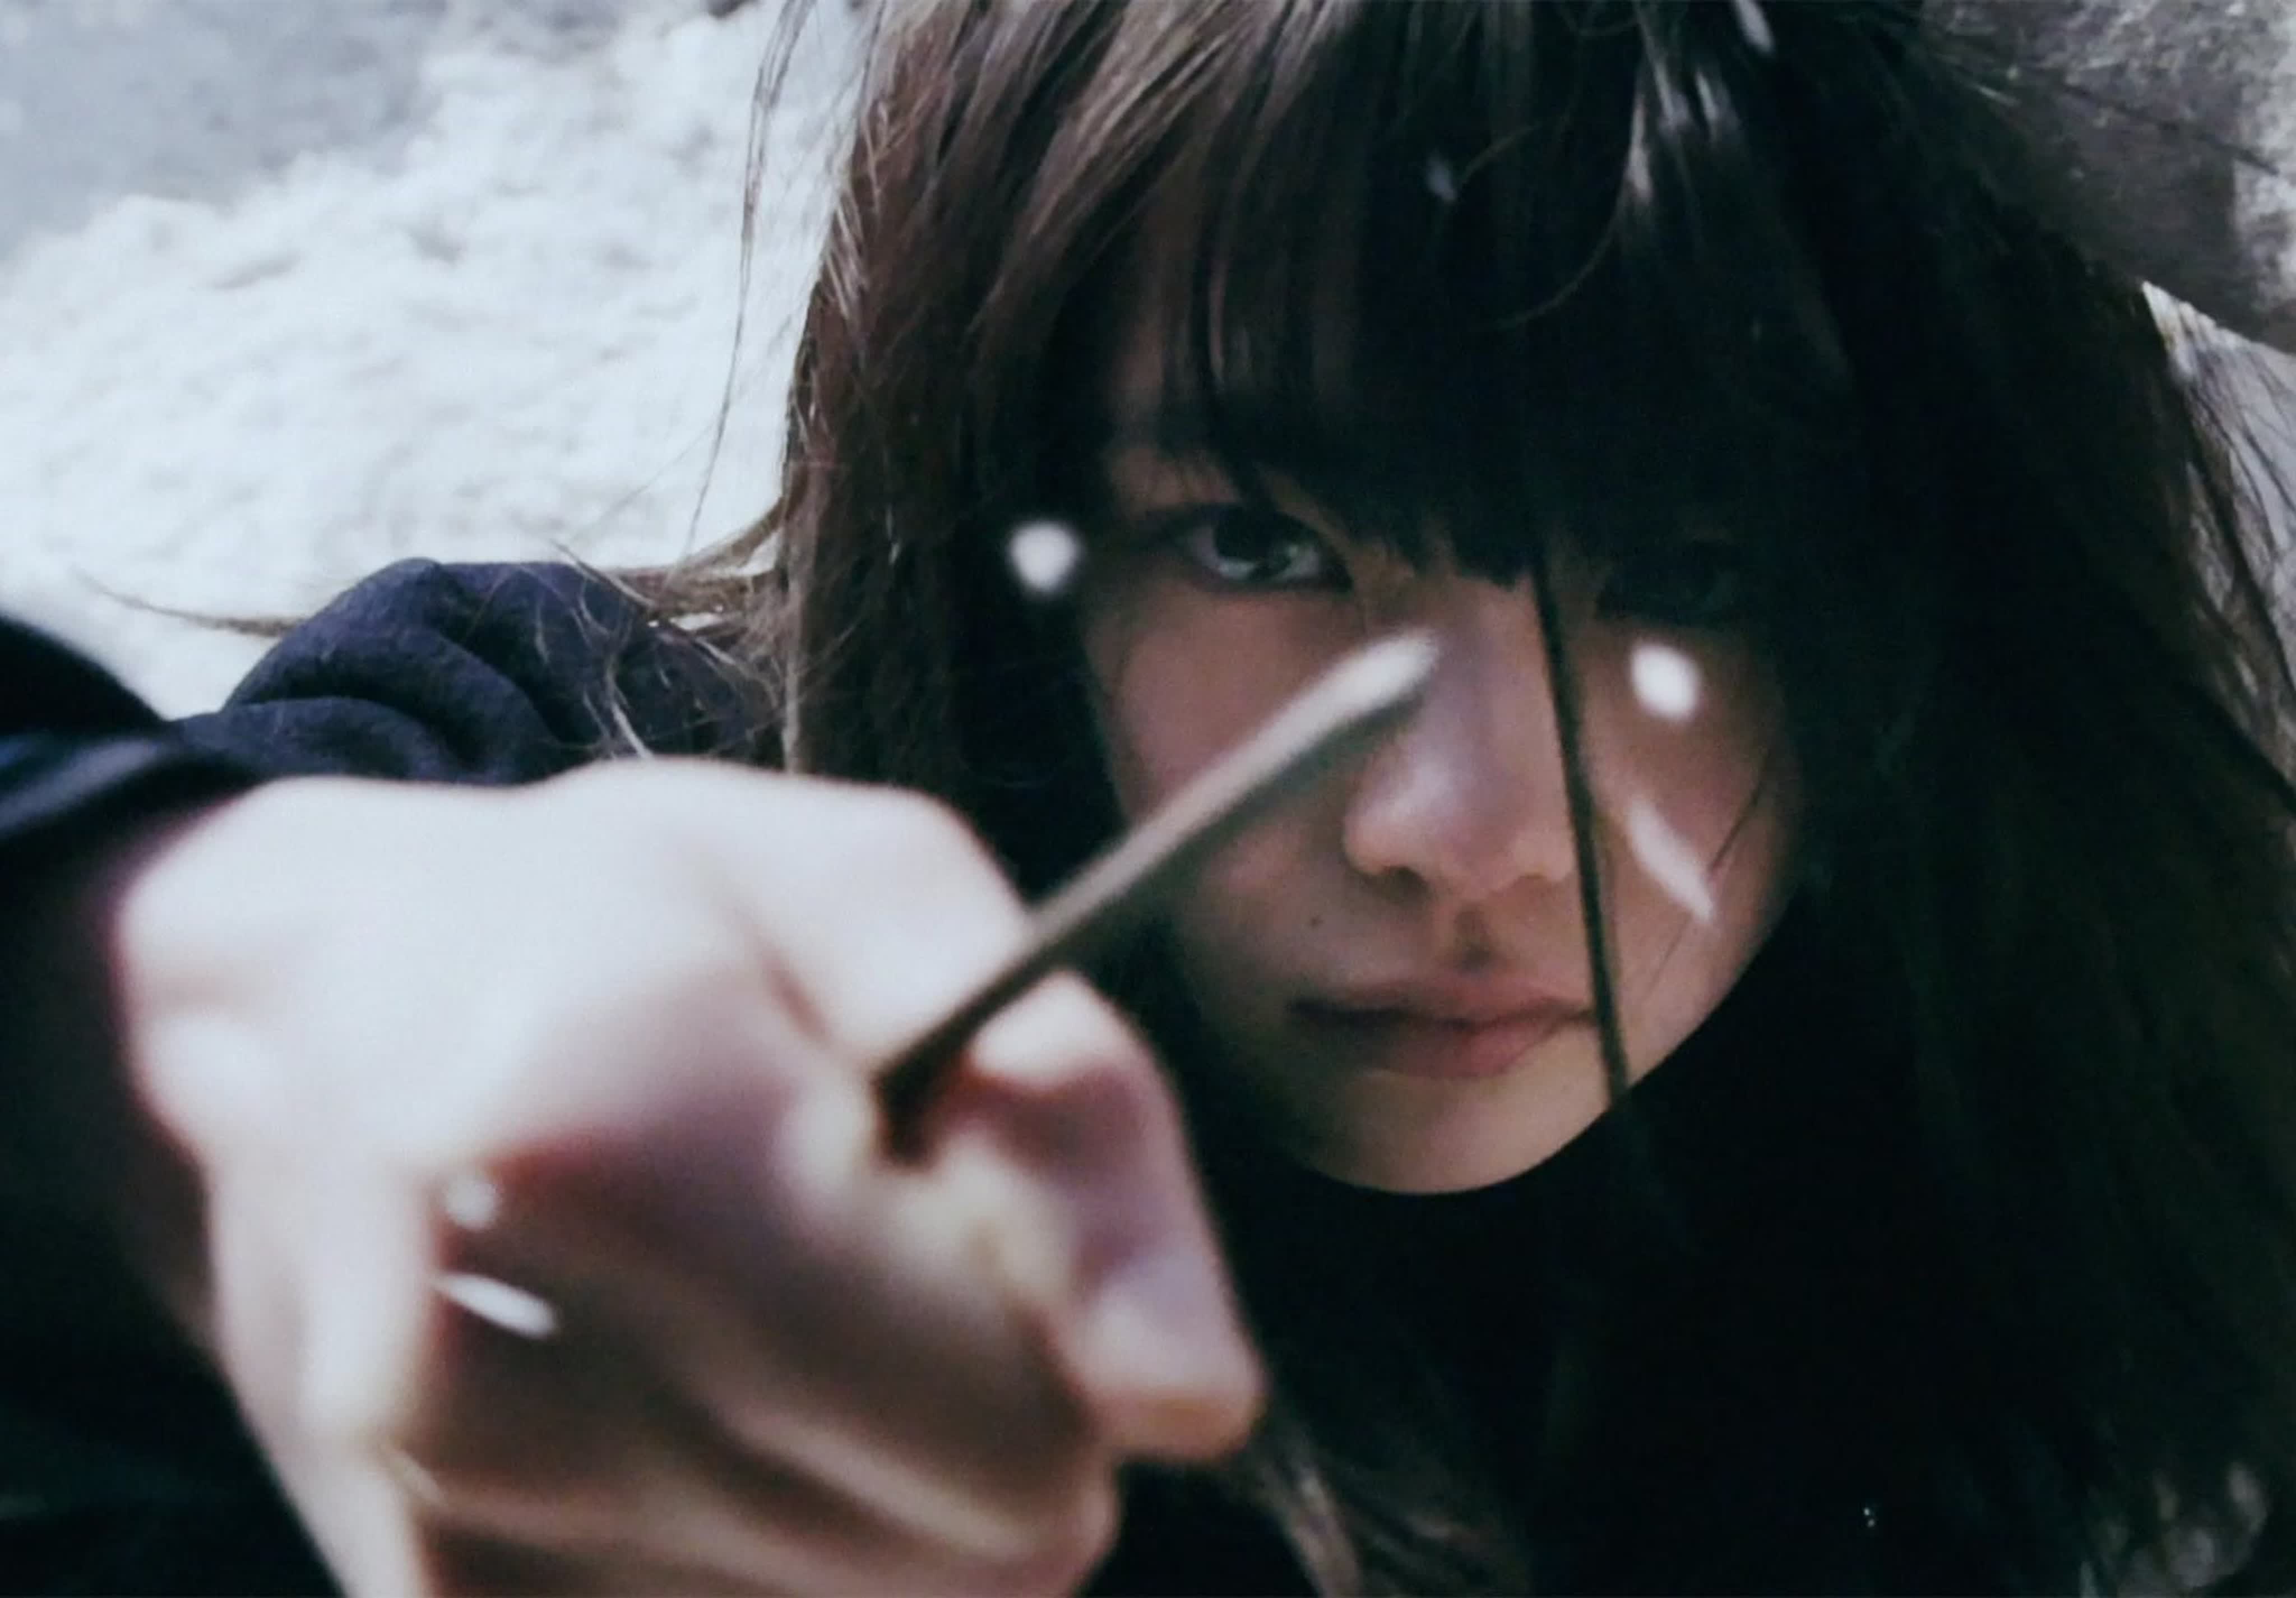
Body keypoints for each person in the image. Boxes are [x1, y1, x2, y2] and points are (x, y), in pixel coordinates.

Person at [6, 0, 2296, 1591]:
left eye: (1689, 575)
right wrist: (165, 1014)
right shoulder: (594, 807)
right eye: (1261, 545)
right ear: (1001, 475)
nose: (1461, 827)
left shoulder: (2063, 1101)